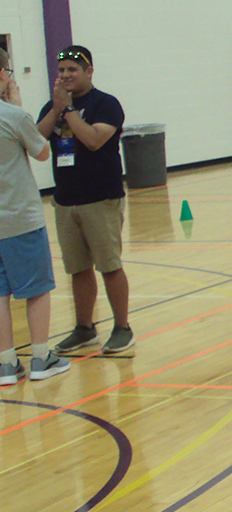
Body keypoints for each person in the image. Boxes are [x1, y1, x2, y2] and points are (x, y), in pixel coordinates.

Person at [38, 46, 133, 355]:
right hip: (66, 199)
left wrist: (67, 111)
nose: (66, 75)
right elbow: (37, 142)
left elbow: (93, 140)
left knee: (109, 265)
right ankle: (84, 328)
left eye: (72, 70)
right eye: (61, 70)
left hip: (100, 198)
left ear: (89, 71)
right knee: (77, 268)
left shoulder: (106, 104)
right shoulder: (51, 107)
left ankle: (122, 328)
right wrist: (57, 109)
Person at [0, 47, 68, 386]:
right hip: (19, 218)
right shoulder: (12, 116)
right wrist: (17, 108)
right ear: (2, 76)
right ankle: (41, 356)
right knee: (37, 289)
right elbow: (42, 152)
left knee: (0, 293)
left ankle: (6, 363)